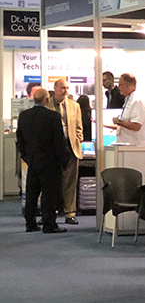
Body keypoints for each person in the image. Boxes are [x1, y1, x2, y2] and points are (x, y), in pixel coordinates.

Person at [17, 88, 69, 234]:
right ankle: (49, 224)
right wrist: (63, 160)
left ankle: (30, 223)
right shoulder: (53, 116)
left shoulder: (24, 116)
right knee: (49, 194)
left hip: (32, 161)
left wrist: (27, 157)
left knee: (32, 193)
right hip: (50, 162)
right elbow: (59, 141)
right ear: (47, 100)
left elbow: (20, 140)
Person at [52, 78, 83, 225]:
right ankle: (50, 213)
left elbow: (78, 127)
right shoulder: (47, 104)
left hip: (70, 148)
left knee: (70, 183)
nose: (65, 91)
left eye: (67, 88)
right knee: (51, 183)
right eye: (62, 88)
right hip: (52, 150)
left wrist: (78, 139)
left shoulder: (74, 106)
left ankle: (70, 213)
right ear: (55, 88)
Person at [109, 74, 145, 146]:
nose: (118, 87)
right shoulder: (128, 100)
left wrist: (119, 121)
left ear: (127, 85)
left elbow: (136, 125)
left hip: (133, 146)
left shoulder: (137, 101)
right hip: (124, 145)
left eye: (120, 85)